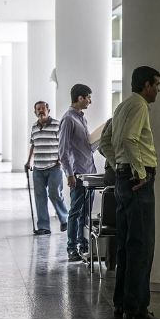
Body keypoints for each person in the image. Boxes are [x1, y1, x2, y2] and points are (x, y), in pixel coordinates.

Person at [100, 65, 160, 319]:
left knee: (127, 245)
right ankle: (137, 308)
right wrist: (138, 172)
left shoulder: (122, 106)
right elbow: (128, 138)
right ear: (146, 85)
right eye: (157, 85)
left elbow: (105, 141)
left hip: (123, 180)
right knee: (142, 246)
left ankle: (122, 303)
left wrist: (119, 166)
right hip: (138, 181)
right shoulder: (139, 105)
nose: (158, 90)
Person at [58, 83, 96, 262]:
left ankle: (84, 245)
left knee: (86, 212)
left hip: (89, 172)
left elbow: (83, 146)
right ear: (80, 98)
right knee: (76, 211)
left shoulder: (82, 118)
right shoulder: (68, 119)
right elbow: (63, 150)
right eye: (88, 97)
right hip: (78, 173)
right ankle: (72, 247)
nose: (90, 100)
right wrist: (69, 174)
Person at [26, 101, 68, 236]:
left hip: (54, 166)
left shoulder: (57, 124)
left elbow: (63, 144)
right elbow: (33, 145)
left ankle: (64, 219)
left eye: (43, 108)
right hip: (38, 167)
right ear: (35, 112)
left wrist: (61, 159)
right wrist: (28, 161)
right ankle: (44, 226)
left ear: (48, 109)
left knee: (54, 193)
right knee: (40, 197)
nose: (41, 111)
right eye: (38, 109)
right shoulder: (33, 127)